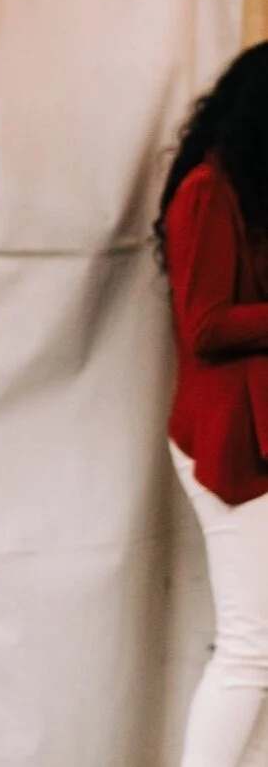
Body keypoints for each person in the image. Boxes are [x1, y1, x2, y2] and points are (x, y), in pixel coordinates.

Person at [156, 42, 268, 767]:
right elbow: (205, 324)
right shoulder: (205, 190)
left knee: (261, 651)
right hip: (227, 440)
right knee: (250, 649)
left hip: (249, 435)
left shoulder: (246, 193)